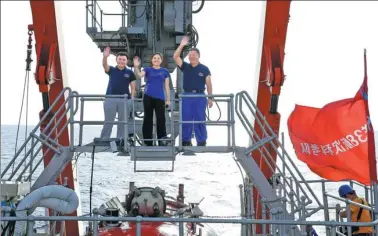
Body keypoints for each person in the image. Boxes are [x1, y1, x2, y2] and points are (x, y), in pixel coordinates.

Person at [173, 36, 213, 146]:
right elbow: (175, 57)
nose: (192, 57)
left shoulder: (204, 69)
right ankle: (186, 141)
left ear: (198, 56)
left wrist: (210, 98)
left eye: (194, 55)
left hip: (200, 96)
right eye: (190, 55)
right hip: (186, 95)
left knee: (200, 119)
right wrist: (181, 45)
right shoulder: (185, 66)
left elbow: (208, 84)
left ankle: (201, 141)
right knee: (186, 118)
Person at [133, 53, 171, 146]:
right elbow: (139, 76)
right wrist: (136, 67)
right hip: (148, 97)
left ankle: (162, 140)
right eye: (154, 58)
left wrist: (168, 100)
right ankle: (147, 141)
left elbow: (167, 87)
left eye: (158, 58)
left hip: (160, 98)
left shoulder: (165, 71)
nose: (156, 60)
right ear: (152, 60)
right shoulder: (147, 69)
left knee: (161, 119)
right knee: (147, 119)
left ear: (161, 60)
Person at [100, 46, 136, 140]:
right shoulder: (111, 70)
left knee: (122, 122)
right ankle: (104, 139)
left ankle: (120, 140)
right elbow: (105, 66)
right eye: (119, 59)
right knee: (108, 121)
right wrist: (105, 57)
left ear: (126, 61)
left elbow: (133, 87)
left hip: (124, 100)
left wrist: (131, 99)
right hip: (110, 99)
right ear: (116, 60)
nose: (121, 61)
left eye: (123, 59)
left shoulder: (130, 73)